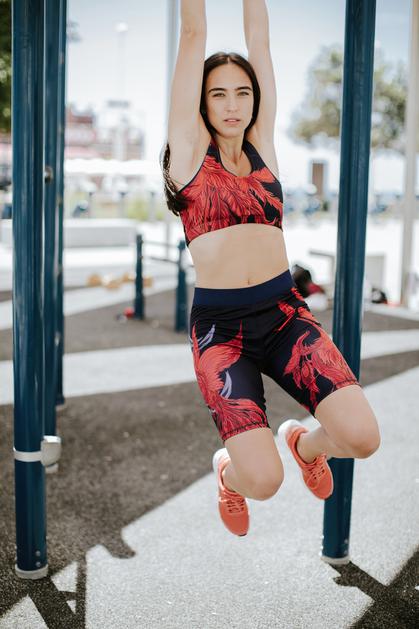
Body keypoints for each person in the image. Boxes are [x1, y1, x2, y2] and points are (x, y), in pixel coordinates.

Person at [160, 0, 381, 537]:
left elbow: (259, 38)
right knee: (262, 481)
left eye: (243, 92)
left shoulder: (263, 146)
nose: (232, 104)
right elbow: (192, 32)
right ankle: (227, 474)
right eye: (218, 94)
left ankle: (305, 445)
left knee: (362, 438)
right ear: (201, 103)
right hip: (222, 332)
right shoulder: (189, 151)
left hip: (284, 315)